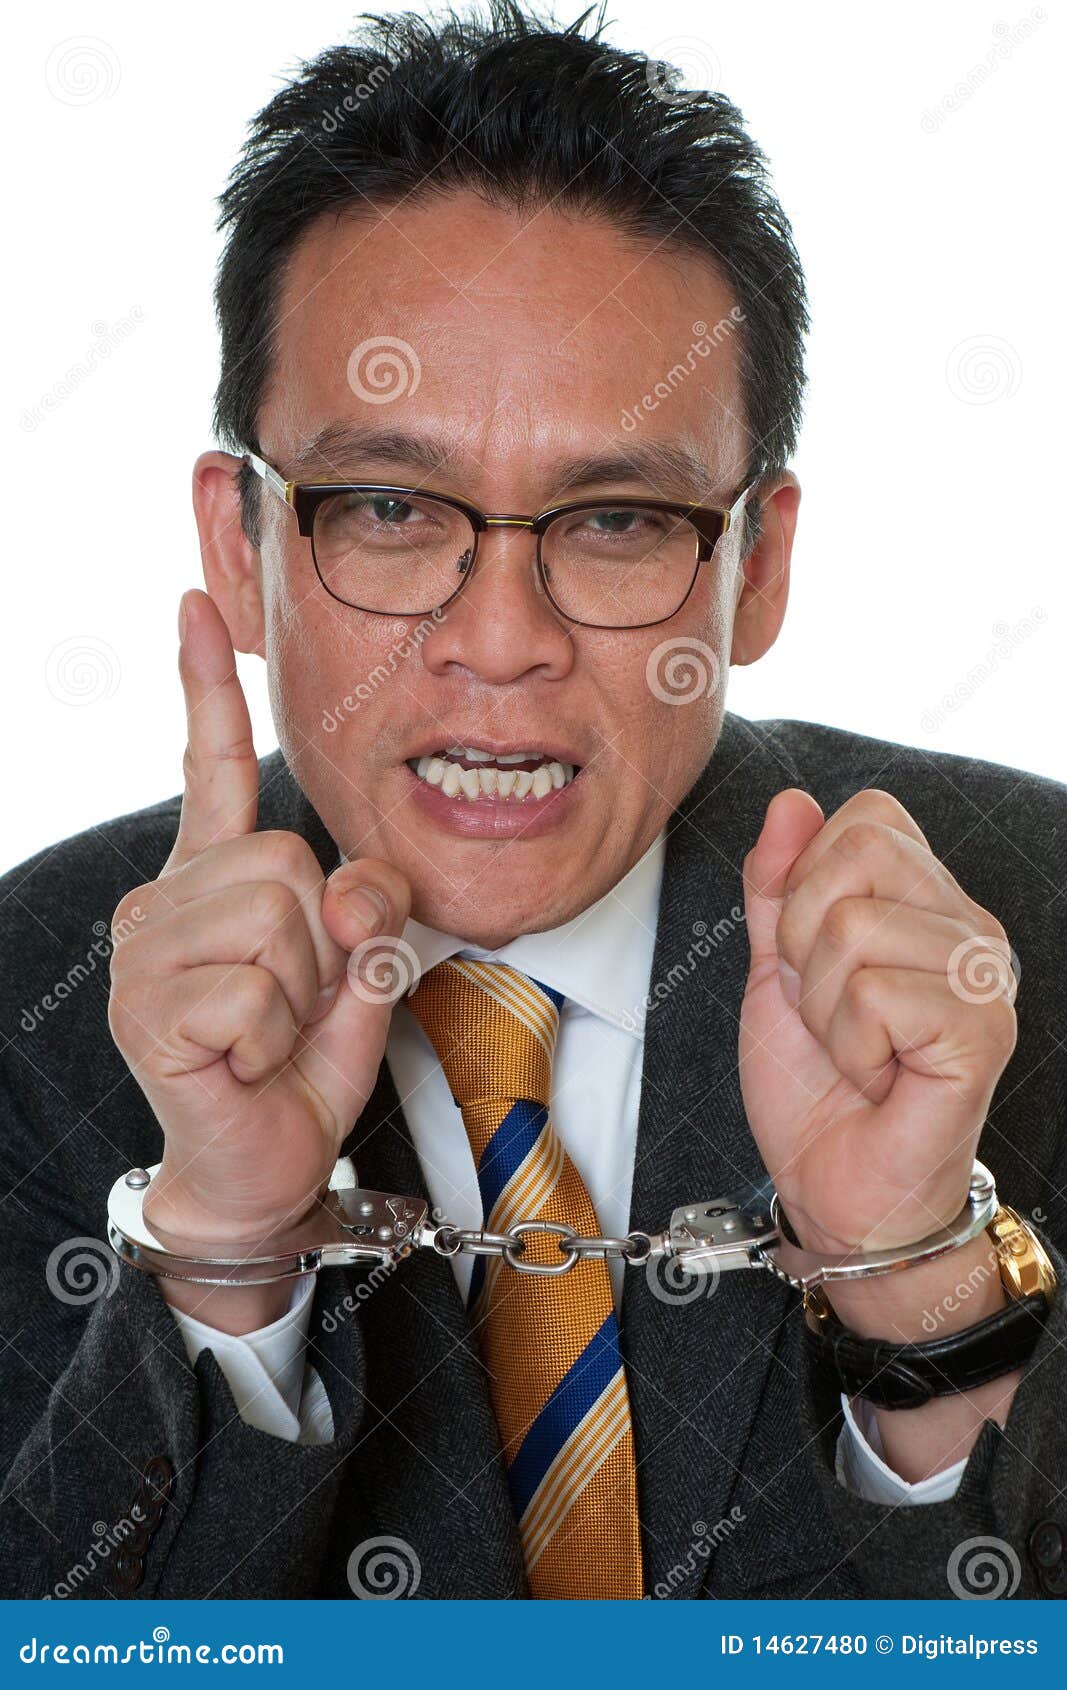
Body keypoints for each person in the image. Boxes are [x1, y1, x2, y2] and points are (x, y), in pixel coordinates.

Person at [2, 3, 1064, 1602]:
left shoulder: (1029, 931)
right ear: (241, 545)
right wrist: (220, 1252)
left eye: (618, 519)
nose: (500, 642)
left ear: (757, 565)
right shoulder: (32, 1002)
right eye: (386, 506)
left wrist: (913, 1276)